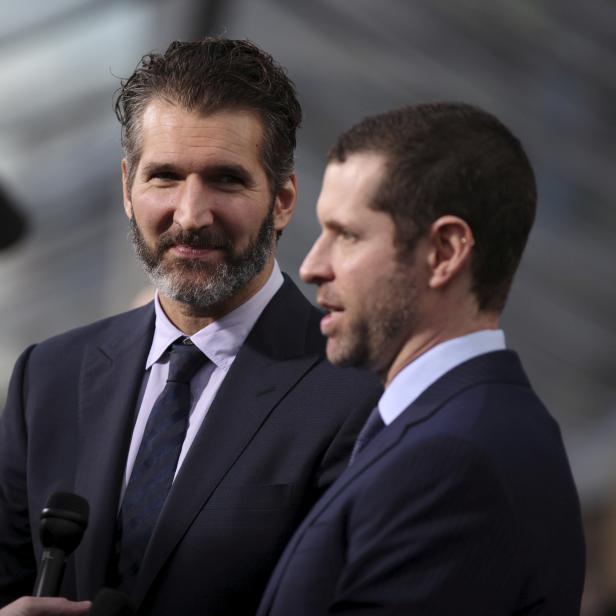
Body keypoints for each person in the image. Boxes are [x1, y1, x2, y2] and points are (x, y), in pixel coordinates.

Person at [0, 39, 381, 616]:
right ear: (128, 187)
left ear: (282, 200)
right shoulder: (48, 377)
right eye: (165, 177)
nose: (190, 215)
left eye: (226, 180)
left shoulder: (357, 391)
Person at [257, 103, 586, 615]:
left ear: (445, 252)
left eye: (346, 234)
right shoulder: (461, 430)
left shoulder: (453, 462)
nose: (311, 266)